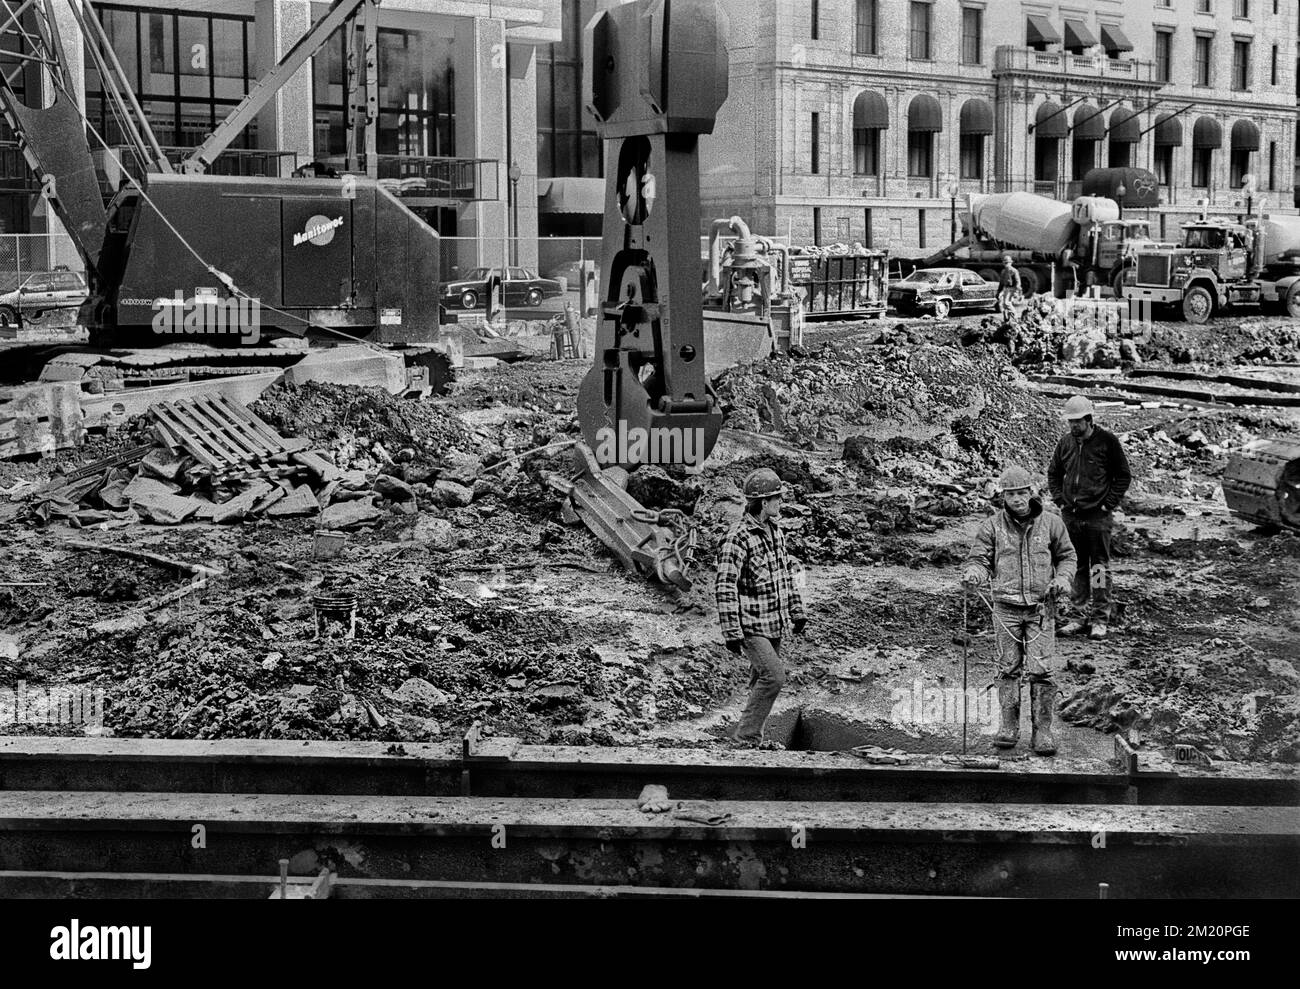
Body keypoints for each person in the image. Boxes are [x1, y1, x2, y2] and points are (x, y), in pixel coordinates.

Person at [963, 466, 1076, 755]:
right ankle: (1009, 728)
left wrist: (1062, 578)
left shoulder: (1051, 523)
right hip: (1005, 608)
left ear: (1031, 492)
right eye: (1010, 494)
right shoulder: (992, 526)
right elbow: (979, 559)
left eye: (1021, 493)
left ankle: (1042, 732)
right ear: (1003, 497)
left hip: (1041, 608)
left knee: (1041, 670)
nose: (1016, 499)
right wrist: (974, 574)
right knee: (1008, 668)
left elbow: (1067, 556)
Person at [715, 467, 807, 747]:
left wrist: (797, 610)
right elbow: (725, 585)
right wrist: (732, 630)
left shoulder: (776, 533)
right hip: (751, 625)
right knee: (774, 676)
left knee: (760, 681)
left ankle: (749, 739)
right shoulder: (737, 537)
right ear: (763, 503)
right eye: (776, 498)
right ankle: (747, 738)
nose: (780, 503)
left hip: (774, 622)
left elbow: (785, 575)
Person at [1047, 396, 1132, 641]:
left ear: (1089, 419)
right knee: (1077, 566)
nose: (1073, 426)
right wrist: (1060, 500)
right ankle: (1077, 615)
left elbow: (1123, 476)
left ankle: (1099, 619)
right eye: (1070, 422)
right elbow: (1054, 473)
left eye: (1077, 421)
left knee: (1098, 567)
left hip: (1098, 517)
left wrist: (1107, 503)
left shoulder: (1107, 442)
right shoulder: (1065, 443)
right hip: (1071, 517)